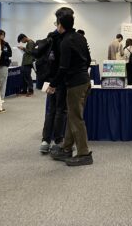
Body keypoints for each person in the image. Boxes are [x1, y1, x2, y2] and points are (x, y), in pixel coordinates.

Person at [48, 10, 93, 166]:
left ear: (60, 25)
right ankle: (67, 148)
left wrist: (53, 84)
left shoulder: (65, 42)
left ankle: (84, 153)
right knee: (73, 117)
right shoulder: (81, 37)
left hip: (75, 84)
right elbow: (88, 60)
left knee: (76, 119)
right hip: (84, 81)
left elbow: (63, 67)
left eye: (56, 23)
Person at [34, 9, 69, 155]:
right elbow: (64, 63)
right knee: (60, 110)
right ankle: (58, 140)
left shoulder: (50, 36)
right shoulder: (66, 38)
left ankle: (45, 140)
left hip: (49, 79)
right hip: (60, 79)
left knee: (51, 110)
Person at [0, 30, 12, 104]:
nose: (2, 36)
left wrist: (2, 52)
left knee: (3, 81)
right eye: (1, 35)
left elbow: (10, 53)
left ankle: (1, 97)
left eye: (3, 35)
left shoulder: (6, 44)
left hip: (4, 64)